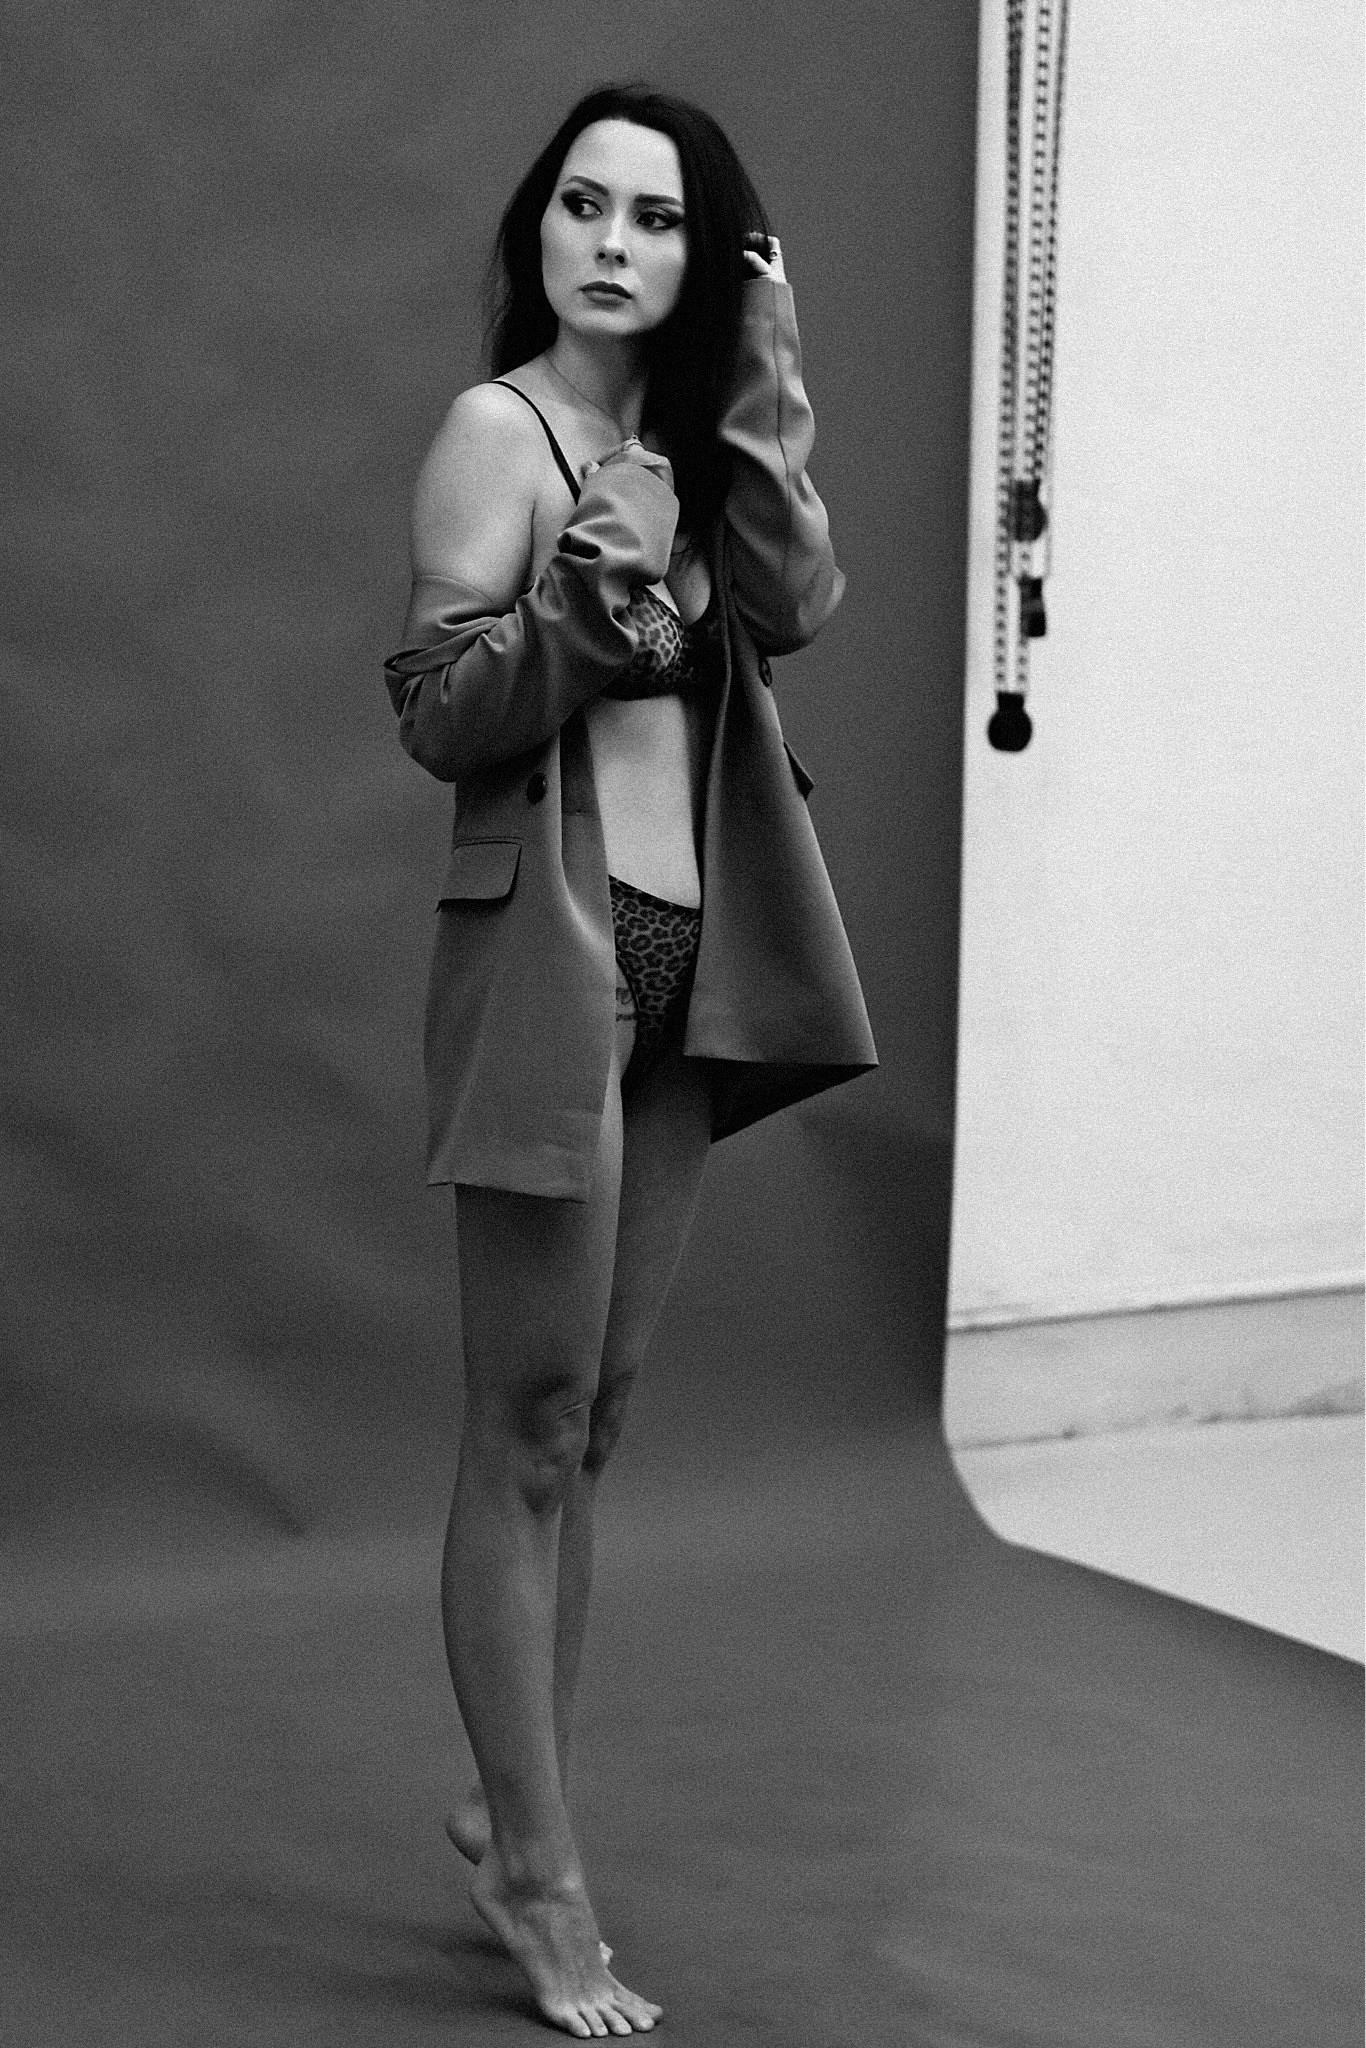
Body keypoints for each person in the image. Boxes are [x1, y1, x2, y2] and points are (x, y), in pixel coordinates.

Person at [384, 82, 876, 2039]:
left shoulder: (687, 436)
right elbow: (437, 712)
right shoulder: (493, 434)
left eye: (657, 219)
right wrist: (589, 592)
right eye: (582, 205)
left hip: (693, 965)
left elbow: (795, 604)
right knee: (519, 1426)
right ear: (541, 229)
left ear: (703, 256)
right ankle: (536, 1872)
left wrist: (763, 365)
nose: (611, 242)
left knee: (590, 1420)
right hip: (549, 969)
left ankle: (508, 1802)